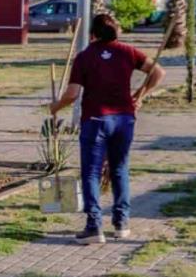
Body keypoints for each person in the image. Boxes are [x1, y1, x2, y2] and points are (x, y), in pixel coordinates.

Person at [48, 13, 164, 245]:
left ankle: (94, 226)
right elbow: (158, 72)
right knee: (119, 168)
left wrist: (55, 107)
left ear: (92, 33)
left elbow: (72, 94)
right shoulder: (128, 52)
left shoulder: (84, 57)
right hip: (124, 119)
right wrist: (139, 96)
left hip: (96, 120)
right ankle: (121, 223)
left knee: (91, 172)